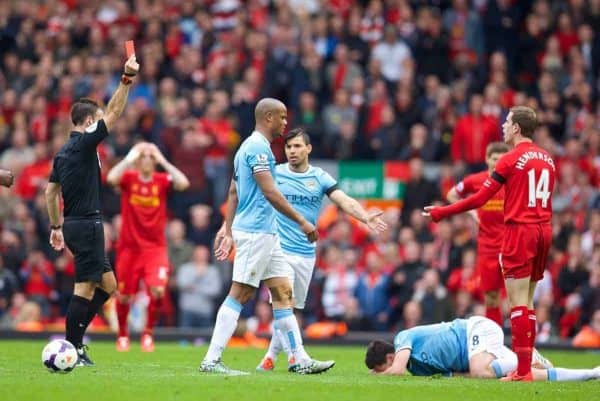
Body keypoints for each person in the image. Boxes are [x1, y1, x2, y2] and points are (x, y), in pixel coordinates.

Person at [200, 98, 333, 375]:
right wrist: (302, 222)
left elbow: (234, 191)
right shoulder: (259, 149)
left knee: (284, 293)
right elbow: (270, 191)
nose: (286, 122)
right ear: (269, 117)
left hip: (267, 233)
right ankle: (211, 360)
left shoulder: (246, 148)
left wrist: (226, 228)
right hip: (256, 232)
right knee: (241, 292)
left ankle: (298, 359)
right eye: (282, 117)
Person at [423, 106, 555, 381]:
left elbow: (479, 199)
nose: (503, 127)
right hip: (544, 230)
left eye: (507, 122)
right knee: (528, 301)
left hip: (520, 231)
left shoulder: (509, 160)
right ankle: (526, 364)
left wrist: (441, 212)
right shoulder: (547, 158)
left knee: (517, 302)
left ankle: (521, 371)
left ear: (517, 128)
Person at [256, 128, 388, 372]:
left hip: (305, 253)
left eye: (297, 146)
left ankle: (270, 358)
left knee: (288, 308)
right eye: (288, 147)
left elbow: (343, 200)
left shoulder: (319, 177)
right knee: (283, 303)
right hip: (278, 251)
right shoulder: (275, 174)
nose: (292, 151)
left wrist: (364, 217)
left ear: (308, 149)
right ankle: (298, 358)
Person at [44, 55, 140, 366]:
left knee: (109, 286)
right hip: (86, 226)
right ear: (88, 123)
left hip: (75, 225)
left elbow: (50, 192)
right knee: (85, 287)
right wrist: (126, 79)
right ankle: (72, 347)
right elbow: (114, 112)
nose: (101, 123)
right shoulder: (85, 144)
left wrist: (56, 227)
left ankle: (77, 342)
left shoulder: (62, 154)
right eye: (96, 120)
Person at [106, 141, 190, 352]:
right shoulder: (129, 178)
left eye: (150, 157)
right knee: (124, 295)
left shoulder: (161, 180)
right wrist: (129, 158)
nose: (146, 160)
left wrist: (162, 159)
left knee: (158, 291)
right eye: (142, 156)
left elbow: (183, 183)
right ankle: (123, 335)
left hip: (155, 248)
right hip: (129, 248)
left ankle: (148, 334)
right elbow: (110, 178)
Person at [365, 316, 599, 382]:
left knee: (480, 370)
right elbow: (455, 375)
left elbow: (396, 371)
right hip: (474, 354)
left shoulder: (402, 338)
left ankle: (523, 356)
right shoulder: (417, 369)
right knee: (521, 378)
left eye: (381, 367)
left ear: (390, 356)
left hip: (473, 330)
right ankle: (591, 374)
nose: (384, 370)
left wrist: (378, 376)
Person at [446, 142, 509, 327]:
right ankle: (495, 340)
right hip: (487, 246)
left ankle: (519, 343)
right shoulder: (475, 180)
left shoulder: (513, 181)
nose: (497, 163)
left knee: (516, 297)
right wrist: (471, 211)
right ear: (487, 159)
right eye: (494, 158)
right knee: (490, 296)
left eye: (501, 159)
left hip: (510, 245)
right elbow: (452, 194)